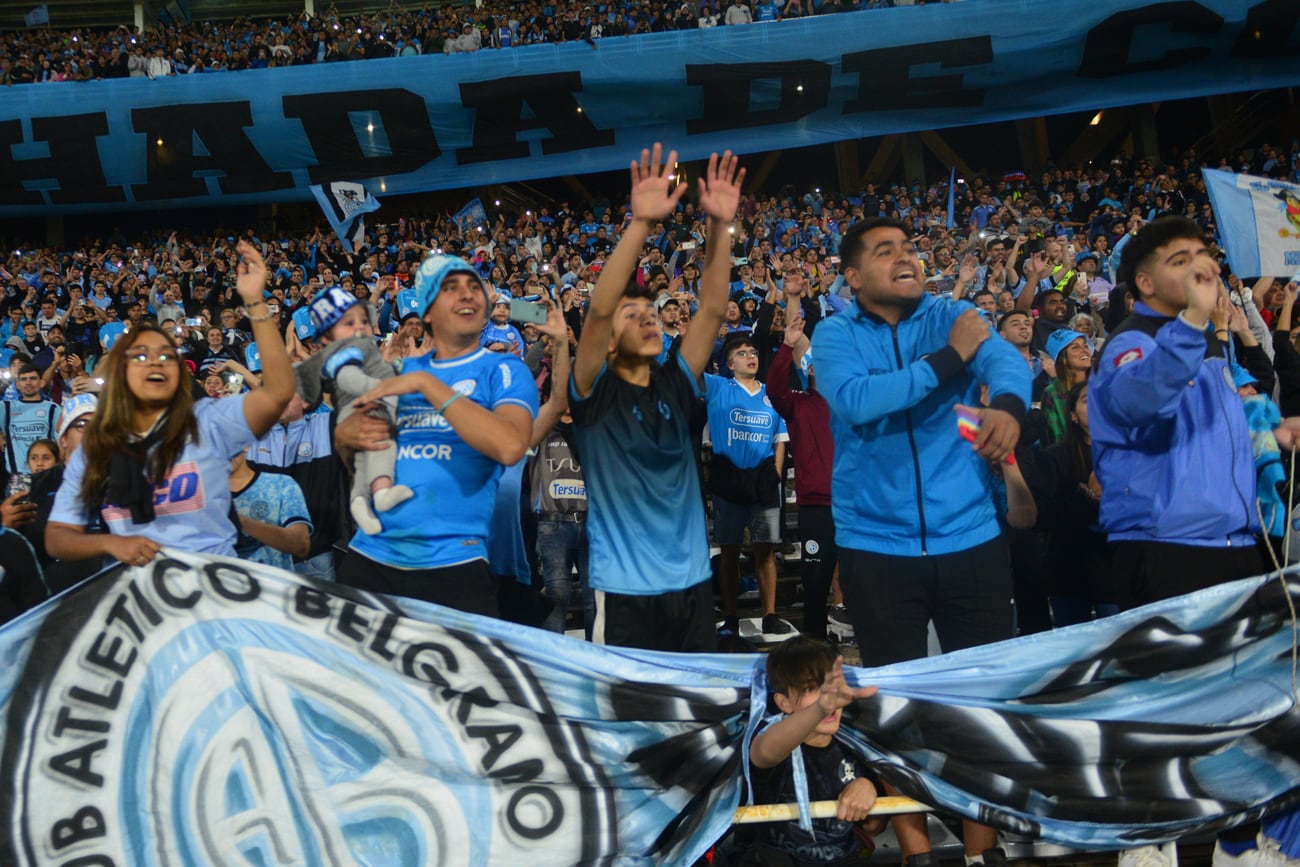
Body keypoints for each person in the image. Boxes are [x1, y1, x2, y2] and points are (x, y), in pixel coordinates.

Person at [810, 216, 1030, 867]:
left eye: (909, 246)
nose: (906, 256)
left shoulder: (953, 312)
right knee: (894, 715)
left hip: (972, 538)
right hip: (877, 547)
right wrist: (950, 360)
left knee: (978, 708)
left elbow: (1007, 360)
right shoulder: (834, 332)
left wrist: (1011, 409)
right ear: (852, 277)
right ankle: (914, 850)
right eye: (886, 251)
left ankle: (978, 852)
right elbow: (857, 399)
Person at [570, 145, 742, 652]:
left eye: (651, 313)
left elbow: (711, 308)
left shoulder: (675, 380)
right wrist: (641, 223)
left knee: (699, 719)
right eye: (633, 315)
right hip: (623, 592)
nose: (647, 318)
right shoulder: (592, 393)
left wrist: (717, 227)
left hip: (691, 584)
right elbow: (599, 312)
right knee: (632, 728)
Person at [46, 242, 295, 565]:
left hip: (214, 590)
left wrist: (254, 302)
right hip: (142, 600)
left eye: (166, 356)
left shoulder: (208, 422)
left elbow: (277, 392)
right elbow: (58, 537)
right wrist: (112, 544)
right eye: (140, 356)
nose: (154, 362)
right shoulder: (99, 447)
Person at [1089, 216, 1280, 609]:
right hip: (1168, 551)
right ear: (1146, 283)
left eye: (1201, 256)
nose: (1200, 269)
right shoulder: (1132, 339)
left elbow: (1203, 435)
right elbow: (1143, 402)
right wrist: (1195, 317)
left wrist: (1272, 436)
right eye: (1180, 261)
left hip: (1237, 541)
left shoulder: (1207, 341)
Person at [336, 254, 537, 618]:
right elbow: (356, 456)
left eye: (475, 287)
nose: (468, 295)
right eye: (450, 289)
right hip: (370, 556)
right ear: (426, 313)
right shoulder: (398, 370)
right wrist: (346, 436)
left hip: (453, 562)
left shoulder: (504, 369)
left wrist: (427, 383)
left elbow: (510, 446)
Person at [736, 637, 883, 866]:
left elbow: (874, 827)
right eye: (810, 688)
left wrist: (868, 788)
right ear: (784, 703)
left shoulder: (856, 744)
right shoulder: (772, 738)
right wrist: (820, 708)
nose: (828, 697)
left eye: (829, 686)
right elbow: (762, 752)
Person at [295, 286, 413, 535]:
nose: (360, 327)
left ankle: (362, 501)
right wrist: (385, 388)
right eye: (349, 323)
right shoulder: (341, 354)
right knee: (382, 446)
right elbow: (349, 379)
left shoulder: (357, 350)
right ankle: (380, 494)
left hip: (365, 408)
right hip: (362, 408)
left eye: (362, 320)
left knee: (365, 460)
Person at [708, 331, 792, 645]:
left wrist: (777, 474)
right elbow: (687, 365)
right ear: (728, 365)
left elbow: (780, 439)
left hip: (763, 481)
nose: (750, 356)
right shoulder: (718, 386)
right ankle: (731, 616)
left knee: (766, 551)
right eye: (742, 353)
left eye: (753, 351)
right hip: (729, 479)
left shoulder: (772, 394)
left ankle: (769, 615)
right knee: (729, 551)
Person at [766, 304, 837, 641]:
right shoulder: (797, 403)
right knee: (814, 583)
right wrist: (786, 346)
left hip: (856, 507)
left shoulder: (854, 403)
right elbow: (774, 388)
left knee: (865, 579)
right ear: (809, 372)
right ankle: (815, 645)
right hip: (816, 508)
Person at [229, 447, 312, 571]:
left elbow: (301, 545)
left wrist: (241, 522)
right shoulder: (200, 494)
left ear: (245, 443)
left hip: (276, 587)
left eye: (226, 443)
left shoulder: (281, 485)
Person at [2, 362, 60, 477]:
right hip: (17, 477)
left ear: (41, 382)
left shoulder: (53, 408)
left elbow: (61, 442)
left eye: (33, 378)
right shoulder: (6, 407)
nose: (28, 382)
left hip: (46, 476)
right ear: (17, 384)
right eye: (23, 379)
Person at [1039, 328, 1091, 444]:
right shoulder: (1052, 393)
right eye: (1075, 347)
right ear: (1063, 359)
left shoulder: (1101, 385)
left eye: (1085, 346)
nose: (1084, 350)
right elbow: (1055, 440)